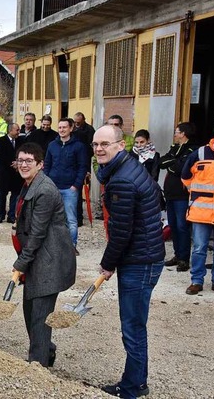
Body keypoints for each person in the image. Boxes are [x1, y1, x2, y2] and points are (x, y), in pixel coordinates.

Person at [94, 125, 165, 398]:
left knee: (133, 327)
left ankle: (131, 388)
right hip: (145, 255)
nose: (99, 149)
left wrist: (107, 264)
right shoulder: (128, 168)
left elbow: (121, 232)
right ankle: (138, 381)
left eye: (105, 144)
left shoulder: (122, 180)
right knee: (136, 324)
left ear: (120, 146)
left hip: (140, 260)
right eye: (96, 144)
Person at [13, 142, 76, 367]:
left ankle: (36, 368)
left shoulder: (45, 190)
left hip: (50, 260)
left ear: (40, 164)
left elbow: (37, 233)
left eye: (29, 161)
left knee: (39, 318)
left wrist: (20, 264)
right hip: (37, 259)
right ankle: (47, 350)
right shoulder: (29, 184)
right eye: (20, 160)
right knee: (30, 313)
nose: (24, 164)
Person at [181, 123, 214, 296]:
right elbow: (185, 176)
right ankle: (196, 281)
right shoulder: (200, 153)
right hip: (201, 212)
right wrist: (196, 194)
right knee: (199, 248)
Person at [43, 117, 88, 251]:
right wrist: (46, 182)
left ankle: (71, 246)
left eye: (64, 127)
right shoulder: (52, 145)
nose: (62, 130)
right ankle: (53, 245)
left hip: (70, 188)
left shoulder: (78, 146)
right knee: (51, 218)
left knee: (71, 220)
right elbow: (47, 165)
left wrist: (76, 185)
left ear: (71, 128)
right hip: (53, 187)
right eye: (60, 127)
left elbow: (82, 167)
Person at [160, 122, 198, 272]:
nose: (175, 134)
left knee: (182, 227)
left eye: (176, 132)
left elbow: (182, 168)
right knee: (174, 226)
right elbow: (162, 162)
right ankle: (177, 254)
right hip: (169, 193)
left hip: (182, 194)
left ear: (183, 133)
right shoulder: (175, 148)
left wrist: (174, 164)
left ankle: (184, 258)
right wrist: (175, 163)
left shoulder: (192, 149)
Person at [0, 123, 24, 223]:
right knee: (2, 195)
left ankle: (11, 215)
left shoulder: (21, 141)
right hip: (4, 172)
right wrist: (13, 164)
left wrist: (18, 163)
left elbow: (23, 153)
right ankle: (1, 214)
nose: (18, 132)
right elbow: (0, 155)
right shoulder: (0, 141)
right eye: (17, 130)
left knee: (15, 195)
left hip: (16, 174)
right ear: (10, 130)